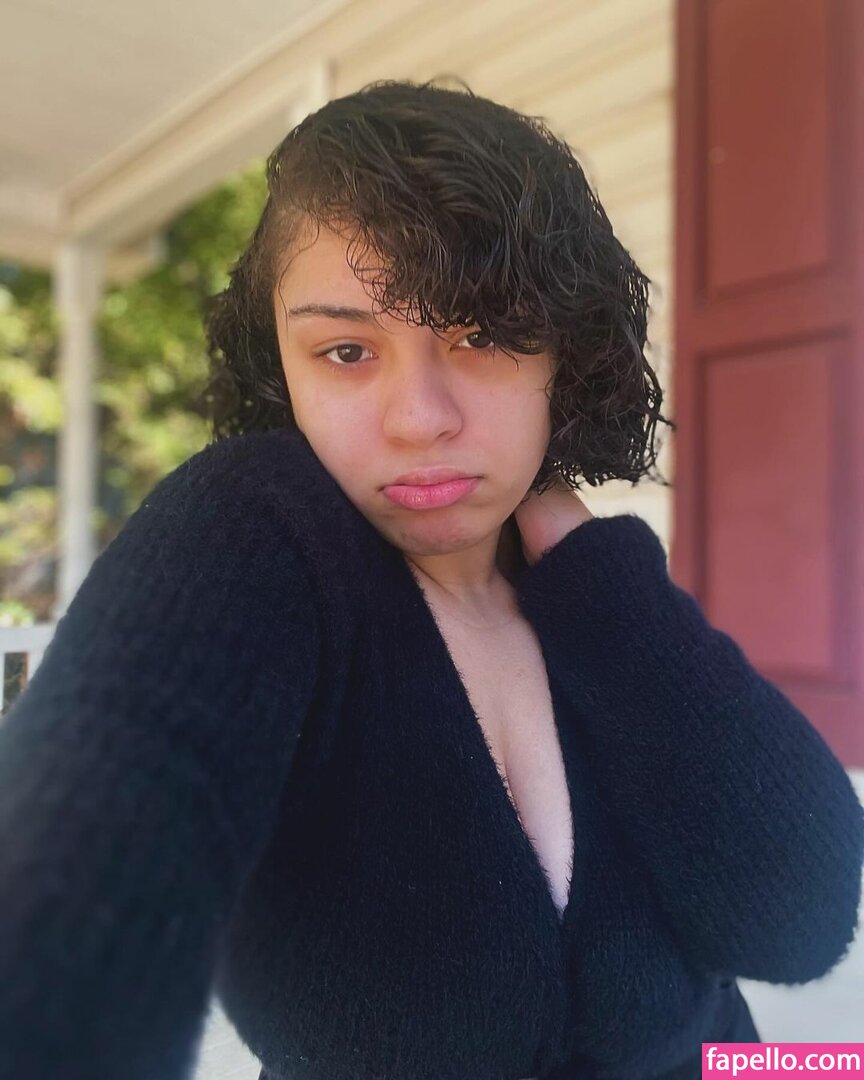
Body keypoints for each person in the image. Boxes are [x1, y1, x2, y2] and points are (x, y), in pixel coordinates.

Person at [0, 79, 862, 1080]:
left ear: (566, 347)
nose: (420, 418)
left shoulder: (584, 589)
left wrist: (602, 580)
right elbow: (63, 909)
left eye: (482, 336)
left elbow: (796, 922)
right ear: (281, 366)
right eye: (346, 350)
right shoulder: (252, 535)